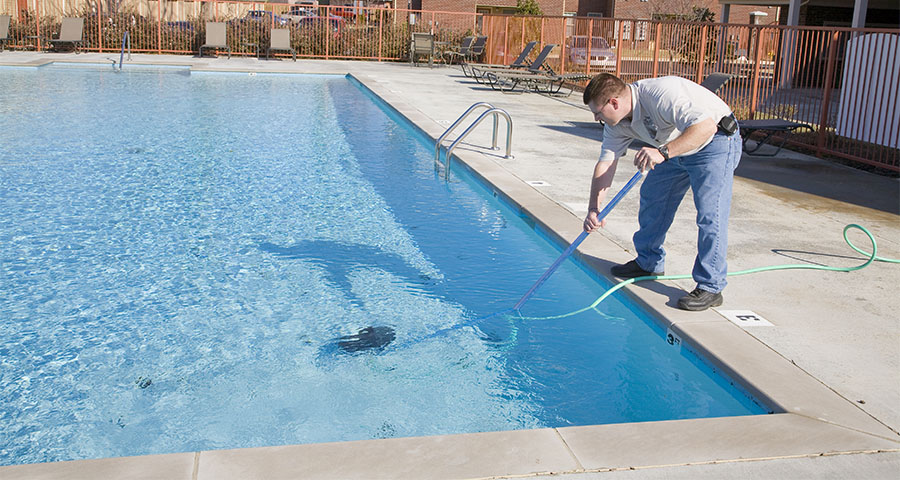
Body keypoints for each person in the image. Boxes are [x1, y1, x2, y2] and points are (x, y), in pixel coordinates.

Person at [582, 73, 741, 311]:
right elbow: (606, 163)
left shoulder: (660, 93)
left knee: (710, 215)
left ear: (614, 103)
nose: (596, 118)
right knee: (653, 199)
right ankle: (649, 263)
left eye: (598, 112)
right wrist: (594, 208)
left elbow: (706, 126)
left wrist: (663, 152)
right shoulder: (617, 123)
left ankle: (711, 285)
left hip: (714, 142)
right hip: (674, 148)